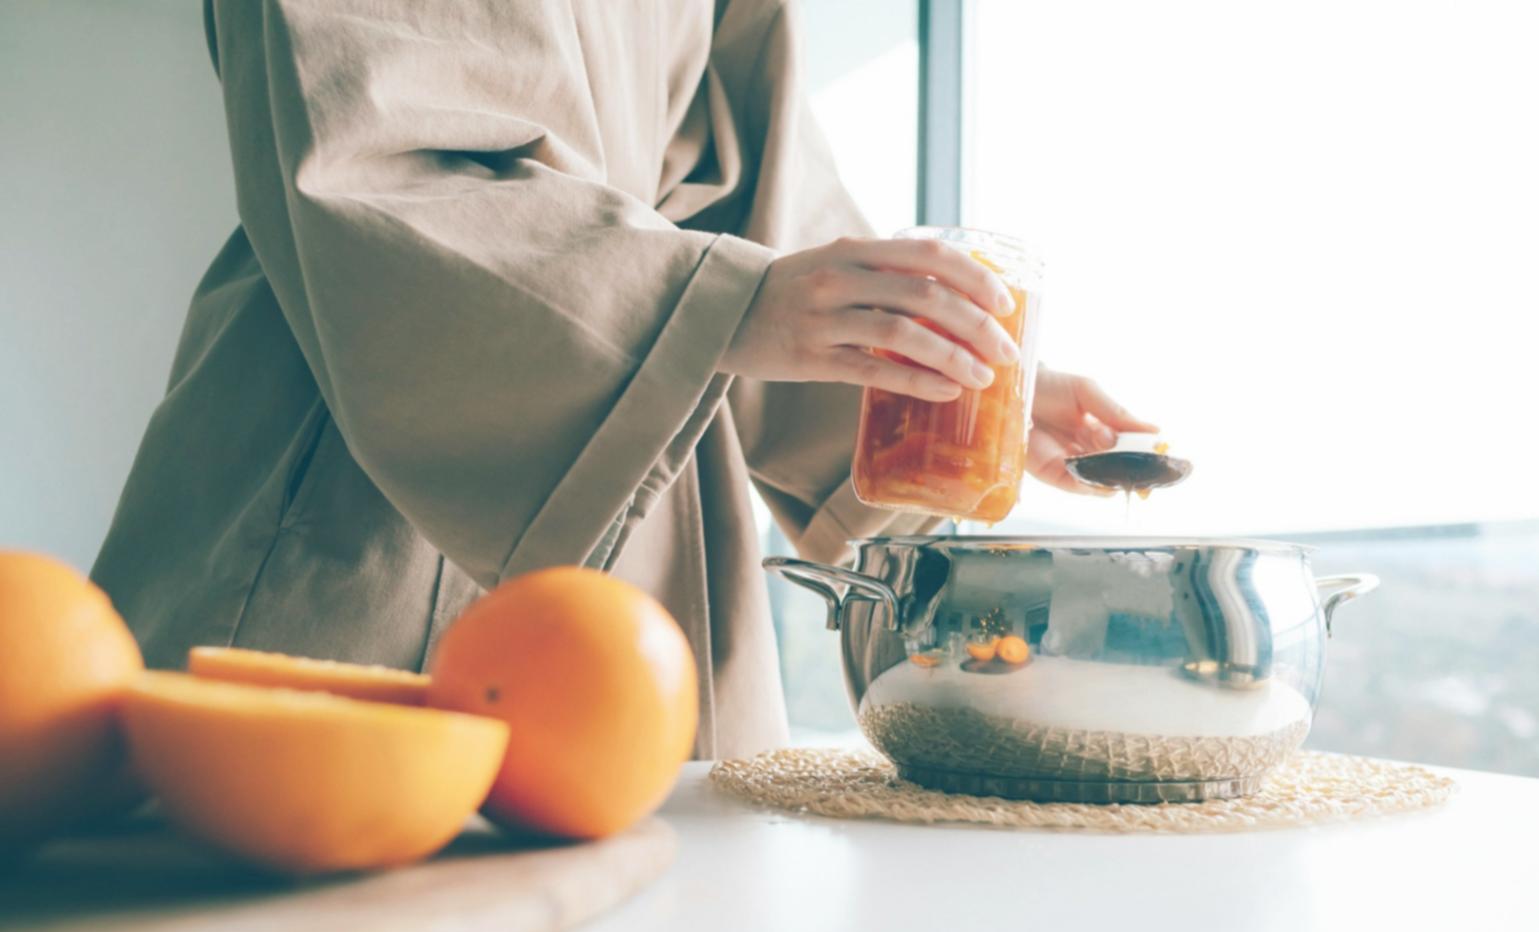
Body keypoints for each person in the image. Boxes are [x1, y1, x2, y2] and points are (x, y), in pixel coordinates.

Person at [94, 0, 1157, 758]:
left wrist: (936, 379)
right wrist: (726, 302)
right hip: (352, 498)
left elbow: (753, 198)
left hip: (649, 535)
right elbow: (381, 170)